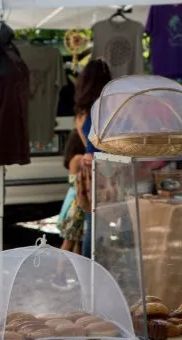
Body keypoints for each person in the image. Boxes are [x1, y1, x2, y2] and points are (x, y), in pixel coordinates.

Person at [73, 59, 112, 259]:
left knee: (92, 222)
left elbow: (85, 141)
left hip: (87, 168)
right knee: (100, 225)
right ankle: (94, 268)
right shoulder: (105, 108)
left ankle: (90, 270)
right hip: (103, 167)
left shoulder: (82, 111)